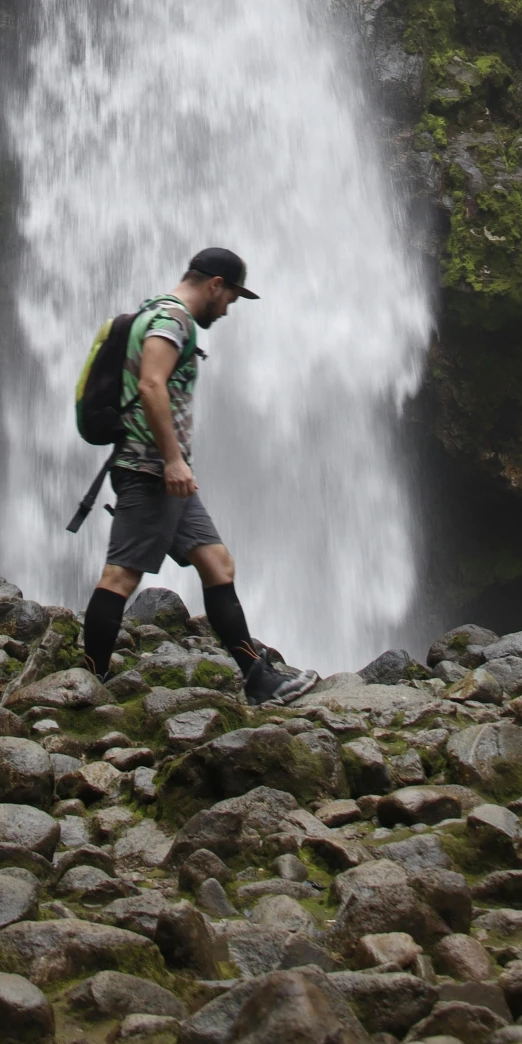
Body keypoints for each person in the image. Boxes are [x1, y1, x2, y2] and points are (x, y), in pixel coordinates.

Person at [80, 247, 319, 706]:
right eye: (230, 298)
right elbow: (151, 384)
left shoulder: (154, 311)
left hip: (165, 475)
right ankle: (91, 681)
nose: (228, 309)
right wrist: (172, 460)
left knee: (217, 563)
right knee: (120, 577)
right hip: (152, 471)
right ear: (215, 285)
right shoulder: (173, 321)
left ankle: (258, 677)